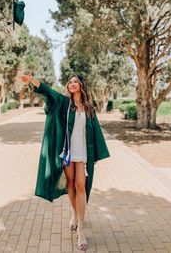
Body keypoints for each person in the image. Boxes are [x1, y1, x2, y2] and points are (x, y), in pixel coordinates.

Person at [18, 73, 110, 251]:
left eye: (76, 82)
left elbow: (96, 132)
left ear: (82, 86)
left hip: (83, 153)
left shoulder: (89, 108)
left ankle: (81, 229)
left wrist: (96, 154)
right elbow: (47, 91)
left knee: (81, 186)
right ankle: (74, 213)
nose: (72, 84)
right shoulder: (64, 104)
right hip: (68, 152)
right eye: (70, 82)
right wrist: (31, 80)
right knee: (70, 183)